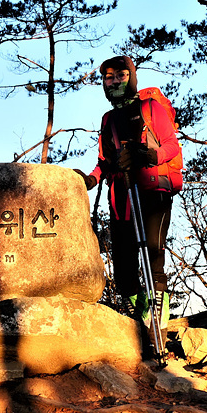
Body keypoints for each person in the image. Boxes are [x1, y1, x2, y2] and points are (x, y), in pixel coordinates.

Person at [74, 55, 182, 349]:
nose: (115, 81)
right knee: (123, 269)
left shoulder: (150, 108)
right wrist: (92, 179)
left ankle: (158, 328)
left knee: (152, 255)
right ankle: (141, 317)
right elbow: (106, 160)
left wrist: (148, 155)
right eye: (109, 77)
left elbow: (171, 145)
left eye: (121, 75)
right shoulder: (108, 120)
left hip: (153, 190)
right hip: (121, 196)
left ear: (131, 77)